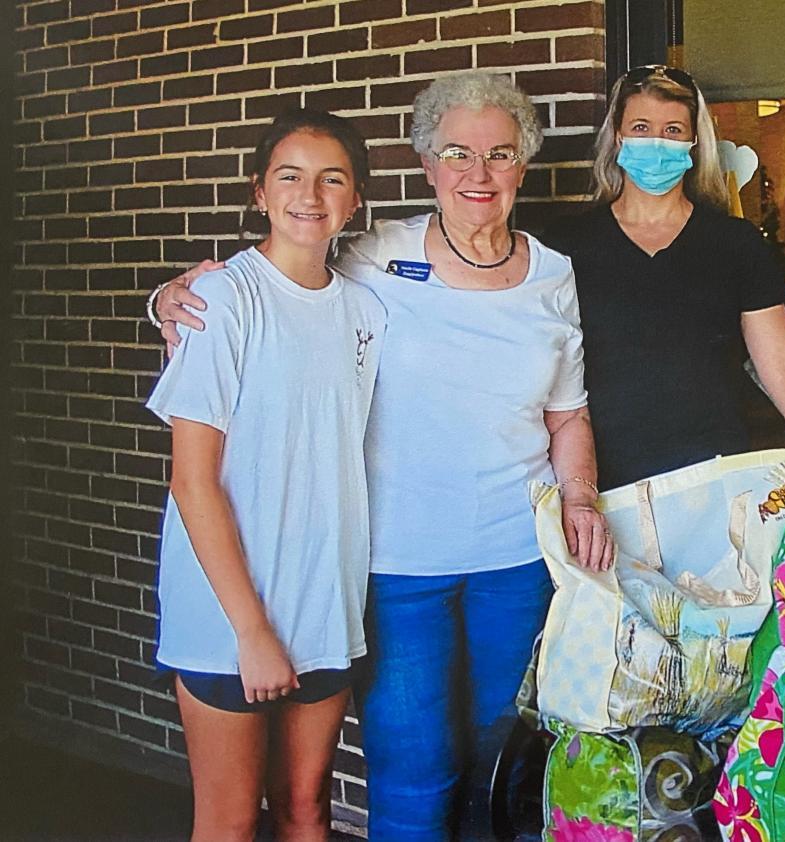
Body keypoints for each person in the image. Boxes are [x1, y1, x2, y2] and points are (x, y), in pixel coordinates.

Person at [148, 73, 610, 840]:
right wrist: (168, 299)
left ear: (523, 165)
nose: (478, 172)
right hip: (396, 564)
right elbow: (273, 277)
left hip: (502, 558)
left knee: (505, 763)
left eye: (499, 154)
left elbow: (570, 411)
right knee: (410, 768)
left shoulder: (546, 274)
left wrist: (580, 496)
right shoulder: (374, 260)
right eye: (456, 153)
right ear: (426, 164)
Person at [145, 109, 383, 842]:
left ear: (355, 200)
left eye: (332, 179)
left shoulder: (366, 311)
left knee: (306, 809)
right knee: (228, 821)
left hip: (323, 602)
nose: (309, 195)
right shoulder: (224, 299)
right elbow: (193, 482)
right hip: (230, 615)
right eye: (290, 176)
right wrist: (251, 632)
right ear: (259, 192)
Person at [541, 64, 785, 515]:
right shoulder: (566, 246)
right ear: (618, 138)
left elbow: (784, 366)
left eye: (673, 130)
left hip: (715, 480)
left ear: (693, 142)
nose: (657, 142)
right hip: (598, 486)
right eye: (641, 127)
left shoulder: (734, 244)